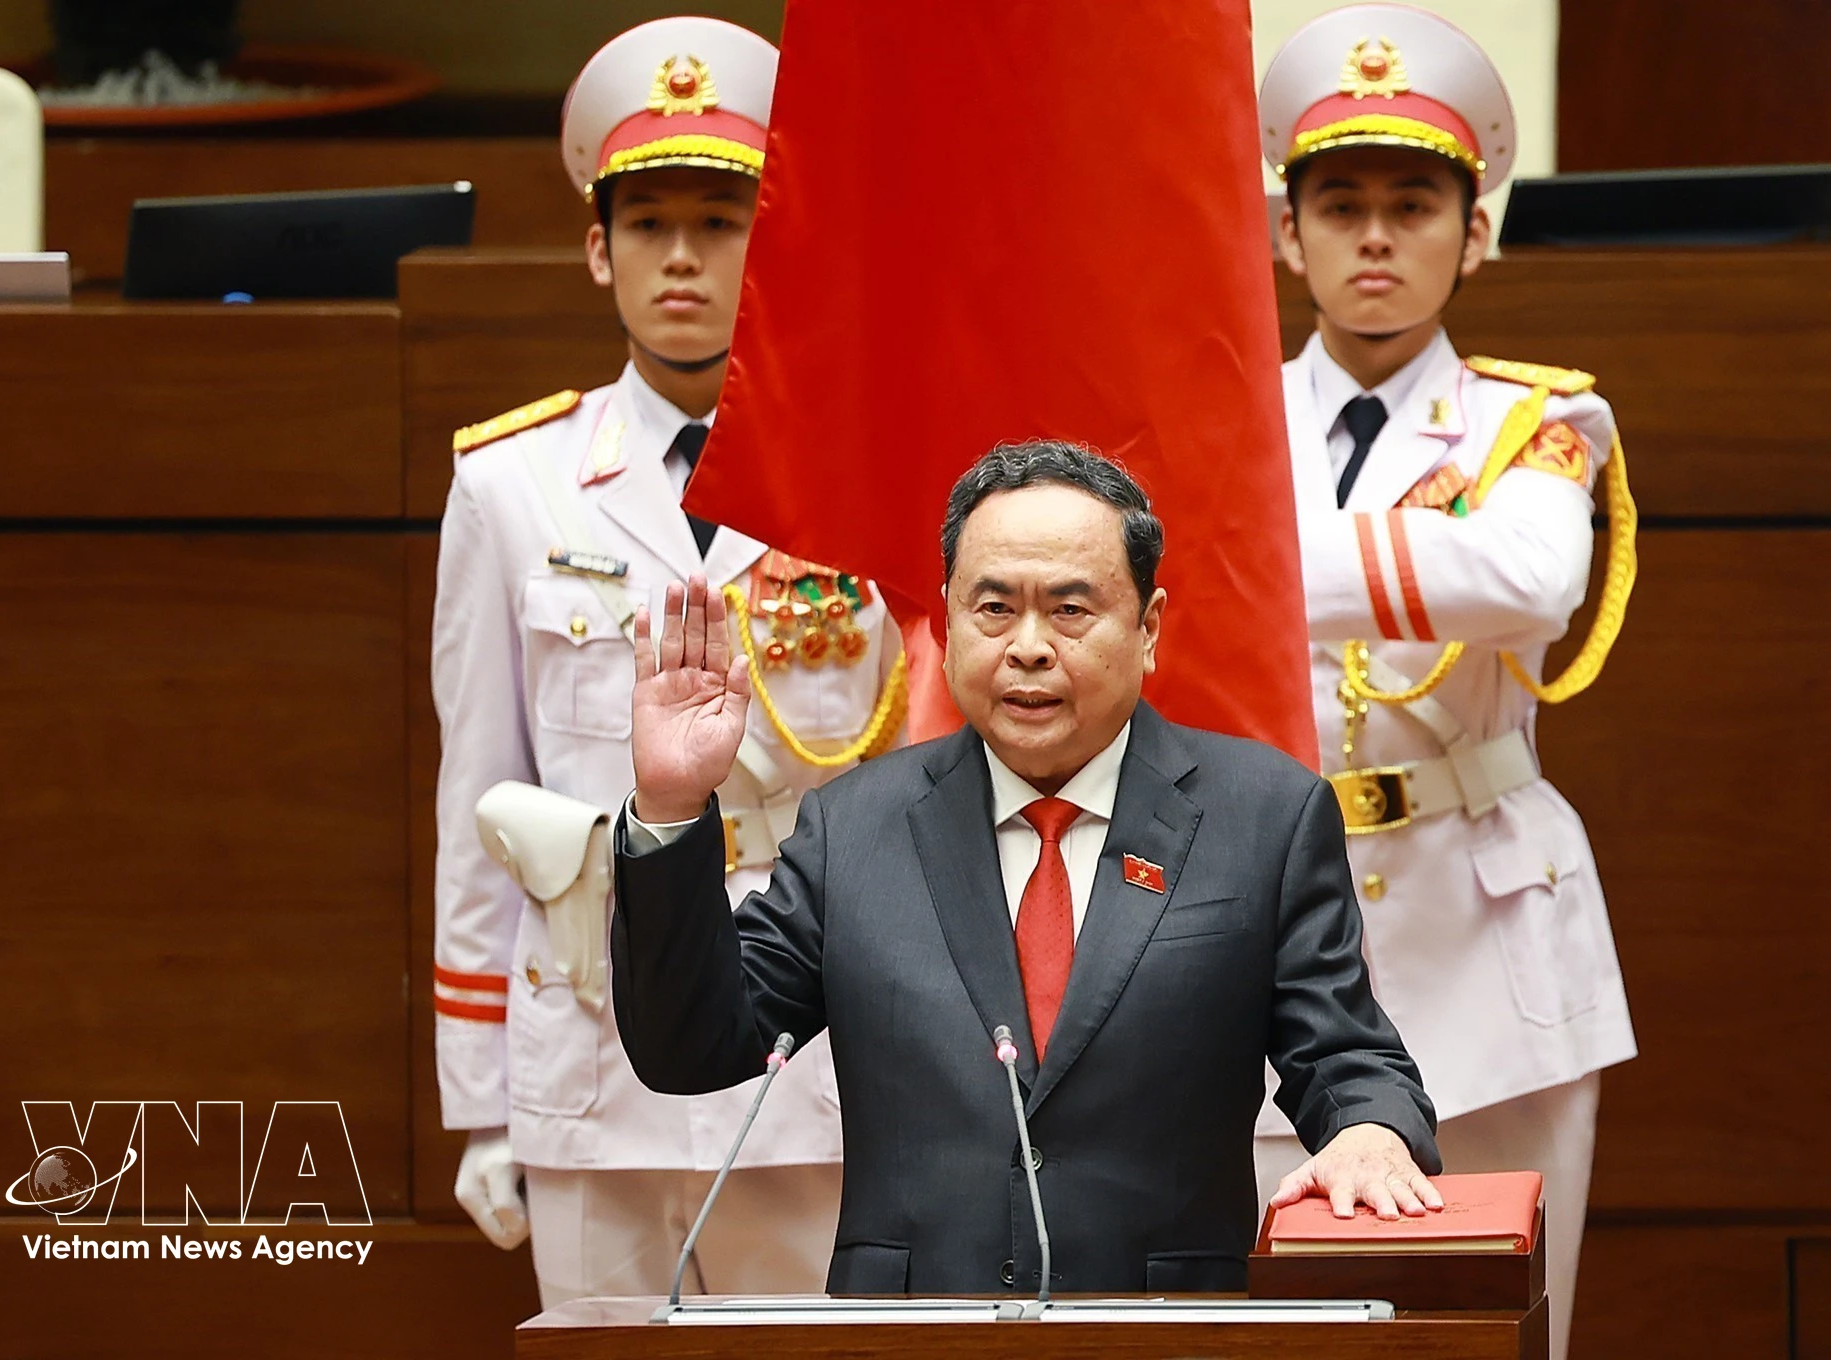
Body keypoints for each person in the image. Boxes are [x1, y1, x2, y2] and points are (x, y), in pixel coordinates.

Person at [609, 441, 1440, 1296]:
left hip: (1168, 1331)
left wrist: (1375, 1131)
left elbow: (1345, 1055)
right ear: (945, 621)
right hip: (912, 1339)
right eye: (994, 609)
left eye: (1072, 610)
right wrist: (670, 805)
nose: (1029, 647)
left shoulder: (1263, 815)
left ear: (1149, 627)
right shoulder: (853, 827)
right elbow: (691, 1047)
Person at [430, 16, 905, 1306]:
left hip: (811, 1036)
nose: (683, 257)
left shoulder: (873, 469)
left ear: (776, 239)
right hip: (590, 1033)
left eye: (722, 220)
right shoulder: (513, 483)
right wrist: (480, 1101)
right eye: (646, 224)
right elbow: (479, 794)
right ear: (598, 248)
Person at [1258, 8, 1638, 1356]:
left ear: (1474, 232)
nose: (1374, 235)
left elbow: (1530, 584)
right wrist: (1443, 551)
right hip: (1270, 929)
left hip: (1491, 936)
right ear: (1285, 231)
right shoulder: (1207, 410)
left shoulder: (1544, 419)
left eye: (1413, 202)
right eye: (1339, 201)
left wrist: (1241, 547)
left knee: (1496, 1330)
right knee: (1287, 1325)